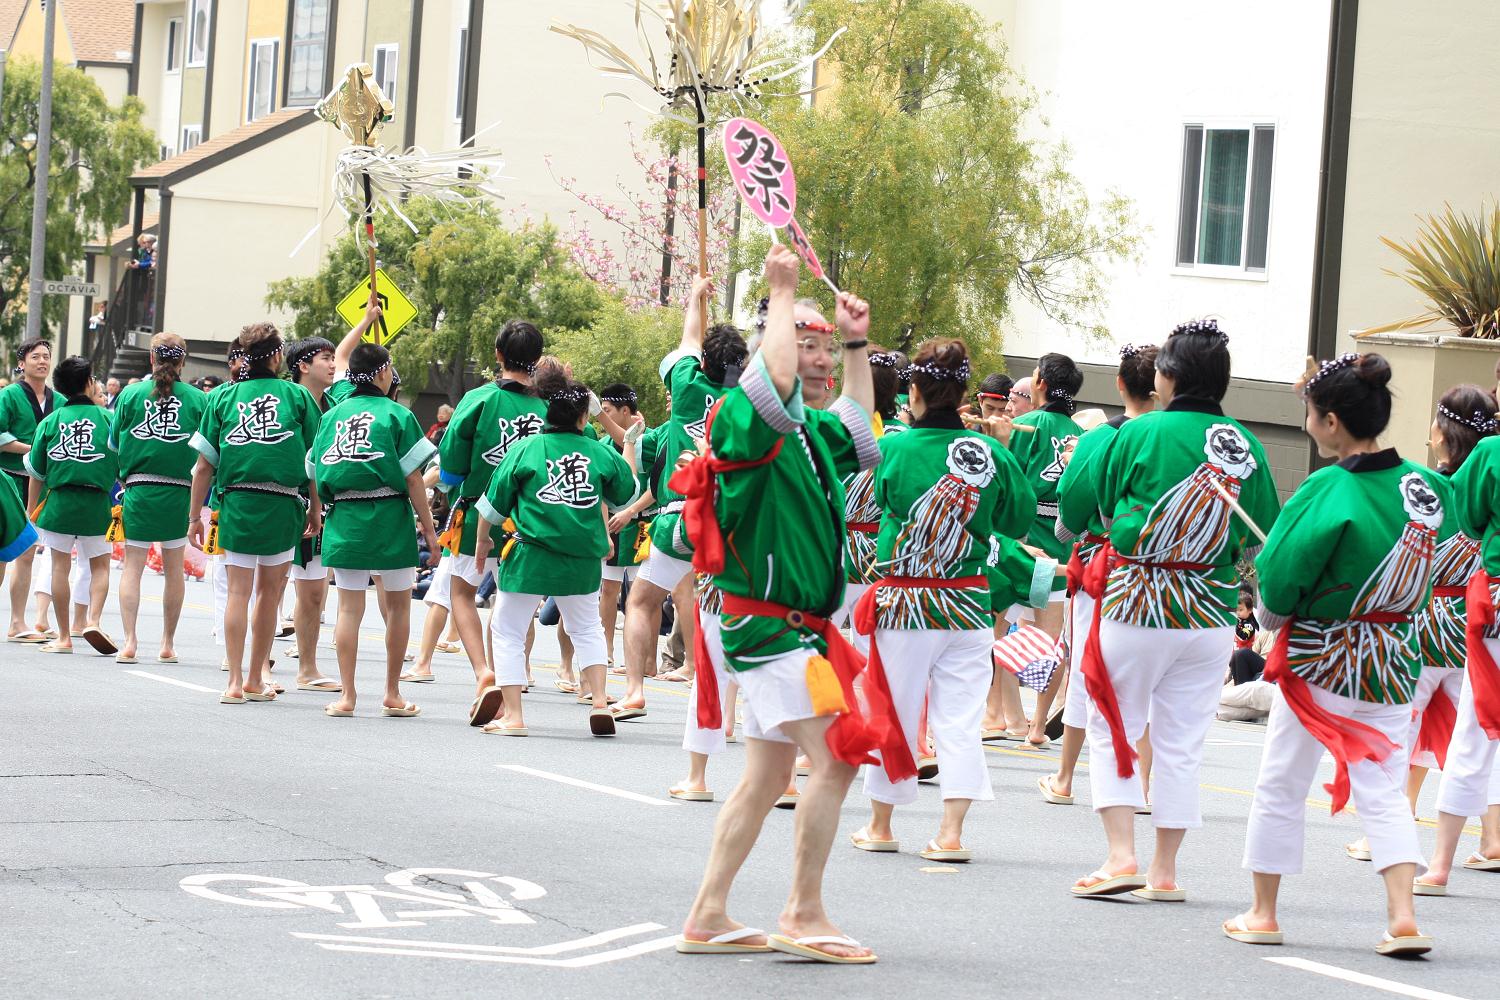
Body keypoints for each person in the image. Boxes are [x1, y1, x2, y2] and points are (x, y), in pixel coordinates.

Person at [678, 245, 889, 964]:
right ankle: (803, 911)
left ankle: (708, 912)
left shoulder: (804, 431)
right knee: (835, 759)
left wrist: (857, 339)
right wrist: (781, 289)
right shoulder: (747, 414)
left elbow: (864, 433)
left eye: (824, 345)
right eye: (806, 344)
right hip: (771, 629)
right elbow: (769, 384)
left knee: (769, 775)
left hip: (787, 628)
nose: (819, 358)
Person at [1228, 353, 1442, 957]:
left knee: (1281, 780)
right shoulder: (1423, 486)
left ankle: (1263, 911)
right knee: (1384, 783)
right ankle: (1403, 914)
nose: (1304, 425)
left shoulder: (1329, 487)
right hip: (1394, 656)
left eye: (1310, 414)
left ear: (1330, 422)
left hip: (1323, 659)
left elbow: (1281, 579)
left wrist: (1271, 617)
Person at [1072, 319, 1280, 901]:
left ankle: (1120, 855)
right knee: (1182, 741)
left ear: (1168, 375)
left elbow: (1100, 510)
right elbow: (1259, 531)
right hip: (1209, 611)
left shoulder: (1136, 434)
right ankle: (1164, 871)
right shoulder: (1247, 443)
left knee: (1114, 721)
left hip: (1138, 601)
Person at [848, 337, 1036, 862]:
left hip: (907, 603)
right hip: (970, 603)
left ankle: (882, 824)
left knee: (896, 709)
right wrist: (1004, 445)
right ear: (962, 394)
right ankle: (951, 833)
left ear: (915, 390)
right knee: (958, 717)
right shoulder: (995, 452)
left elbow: (878, 502)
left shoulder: (894, 447)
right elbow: (1016, 521)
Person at [471, 369, 641, 736]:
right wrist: (627, 442)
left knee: (508, 629)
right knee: (587, 629)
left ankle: (514, 716)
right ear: (584, 417)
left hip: (531, 556)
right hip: (581, 560)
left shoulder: (526, 448)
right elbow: (627, 491)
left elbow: (492, 505)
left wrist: (483, 541)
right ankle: (599, 702)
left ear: (546, 413)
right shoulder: (598, 451)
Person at [615, 277, 747, 721]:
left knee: (641, 601)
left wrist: (694, 296)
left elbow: (689, 338)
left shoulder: (687, 385)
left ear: (704, 361)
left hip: (681, 519)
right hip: (731, 526)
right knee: (726, 615)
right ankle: (725, 713)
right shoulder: (746, 401)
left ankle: (634, 689)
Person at [1043, 344, 1159, 804]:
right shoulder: (1176, 439)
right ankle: (1146, 785)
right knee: (1148, 678)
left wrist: (1075, 528)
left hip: (1101, 566)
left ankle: (1067, 778)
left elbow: (1068, 517)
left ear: (1119, 383)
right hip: (1160, 573)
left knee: (1085, 669)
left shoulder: (1101, 439)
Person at [189, 323, 321, 705]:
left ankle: (232, 681)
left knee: (238, 592)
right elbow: (312, 462)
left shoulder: (223, 398)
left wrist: (194, 515)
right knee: (268, 593)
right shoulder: (296, 396)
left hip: (237, 503)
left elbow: (203, 466)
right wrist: (315, 507)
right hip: (282, 504)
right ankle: (253, 678)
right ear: (278, 356)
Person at [311, 343, 440, 718]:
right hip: (389, 517)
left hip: (344, 517)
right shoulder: (397, 415)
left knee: (349, 608)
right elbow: (414, 479)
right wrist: (429, 532)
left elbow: (315, 473)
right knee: (398, 607)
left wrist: (317, 513)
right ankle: (392, 692)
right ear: (384, 372)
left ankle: (348, 695)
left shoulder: (331, 417)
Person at [437, 320, 548, 724]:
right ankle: (510, 680)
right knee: (515, 605)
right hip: (531, 522)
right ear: (537, 359)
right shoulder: (548, 405)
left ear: (498, 354)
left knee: (462, 593)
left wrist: (451, 486)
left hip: (478, 513)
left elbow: (451, 462)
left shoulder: (479, 399)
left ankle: (485, 674)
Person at [1414, 387, 1500, 894]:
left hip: (1485, 608)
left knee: (1472, 730)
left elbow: (1467, 516)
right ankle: (1489, 838)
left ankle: (1441, 861)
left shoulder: (1489, 453)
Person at [996, 353, 1084, 748]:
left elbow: (1005, 480)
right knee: (1051, 637)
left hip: (1023, 537)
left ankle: (1002, 714)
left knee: (1000, 625)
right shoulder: (1081, 436)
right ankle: (1036, 723)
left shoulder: (1025, 425)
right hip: (1063, 542)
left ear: (1040, 383)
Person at [111, 333, 208, 664]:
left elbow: (114, 446)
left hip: (139, 488)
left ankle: (129, 641)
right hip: (180, 491)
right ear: (183, 361)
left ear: (151, 359)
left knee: (132, 568)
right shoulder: (198, 399)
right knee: (173, 570)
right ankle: (167, 642)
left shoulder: (130, 394)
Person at [24, 356, 118, 655]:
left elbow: (36, 473)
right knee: (100, 566)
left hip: (60, 502)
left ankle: (63, 636)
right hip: (95, 502)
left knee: (59, 567)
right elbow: (121, 464)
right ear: (90, 383)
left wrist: (30, 512)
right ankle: (93, 620)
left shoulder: (51, 421)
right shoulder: (108, 419)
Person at [281, 335, 342, 693]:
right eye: (325, 357)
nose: (333, 364)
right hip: (287, 501)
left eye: (335, 357)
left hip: (320, 509)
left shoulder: (334, 406)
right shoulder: (288, 402)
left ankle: (307, 668)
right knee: (268, 590)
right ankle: (255, 664)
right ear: (302, 365)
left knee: (314, 594)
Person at [0, 339, 55, 643]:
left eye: (47, 356)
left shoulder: (57, 399)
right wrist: (34, 449)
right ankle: (17, 622)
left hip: (40, 482)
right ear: (22, 363)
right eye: (36, 357)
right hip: (9, 479)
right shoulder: (8, 395)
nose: (42, 361)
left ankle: (18, 622)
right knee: (7, 551)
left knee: (28, 552)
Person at [598, 384, 653, 672]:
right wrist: (605, 530)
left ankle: (646, 658)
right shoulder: (604, 445)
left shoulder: (649, 440)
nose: (602, 417)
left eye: (606, 411)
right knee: (608, 589)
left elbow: (657, 484)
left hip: (641, 523)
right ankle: (605, 649)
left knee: (642, 593)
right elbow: (601, 492)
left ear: (625, 412)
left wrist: (631, 511)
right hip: (613, 524)